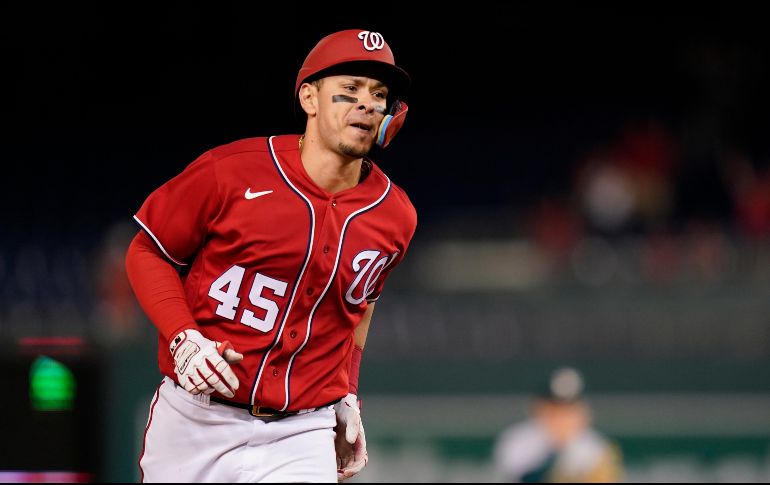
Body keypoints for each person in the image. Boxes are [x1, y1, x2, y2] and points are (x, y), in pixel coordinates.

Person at [125, 29, 416, 483]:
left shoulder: (394, 215)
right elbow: (148, 250)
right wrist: (184, 338)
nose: (367, 103)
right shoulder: (232, 171)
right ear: (309, 99)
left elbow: (358, 309)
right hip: (195, 419)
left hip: (301, 430)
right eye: (350, 89)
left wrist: (347, 392)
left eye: (379, 93)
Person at [493, 367, 623, 483]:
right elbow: (521, 477)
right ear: (539, 407)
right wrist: (557, 449)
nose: (562, 416)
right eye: (555, 408)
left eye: (569, 409)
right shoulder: (517, 440)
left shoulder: (596, 445)